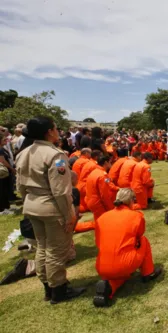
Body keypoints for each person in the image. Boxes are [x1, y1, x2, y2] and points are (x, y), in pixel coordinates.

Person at [16, 116, 86, 304]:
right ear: (49, 131)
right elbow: (61, 191)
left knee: (42, 247)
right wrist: (69, 215)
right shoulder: (55, 155)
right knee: (56, 250)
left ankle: (48, 285)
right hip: (51, 207)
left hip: (32, 204)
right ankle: (59, 289)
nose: (57, 131)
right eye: (55, 128)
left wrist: (27, 202)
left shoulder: (24, 153)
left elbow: (20, 185)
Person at [93, 188, 163, 307]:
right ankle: (148, 273)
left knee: (120, 275)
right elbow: (139, 235)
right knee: (144, 241)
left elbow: (98, 242)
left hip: (102, 267)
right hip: (125, 262)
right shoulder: (136, 216)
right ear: (131, 200)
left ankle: (109, 287)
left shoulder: (102, 217)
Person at [85, 156, 119, 221]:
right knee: (104, 222)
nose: (111, 164)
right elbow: (104, 195)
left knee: (99, 221)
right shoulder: (102, 176)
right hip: (98, 203)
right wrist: (111, 208)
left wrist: (118, 188)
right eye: (110, 162)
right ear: (106, 163)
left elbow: (109, 184)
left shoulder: (95, 172)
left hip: (91, 201)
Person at [0, 132, 15, 213]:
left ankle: (6, 206)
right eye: (4, 139)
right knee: (2, 189)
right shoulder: (0, 149)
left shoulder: (3, 148)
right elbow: (2, 160)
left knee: (5, 189)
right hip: (3, 172)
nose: (6, 140)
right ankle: (2, 208)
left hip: (5, 172)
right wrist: (11, 168)